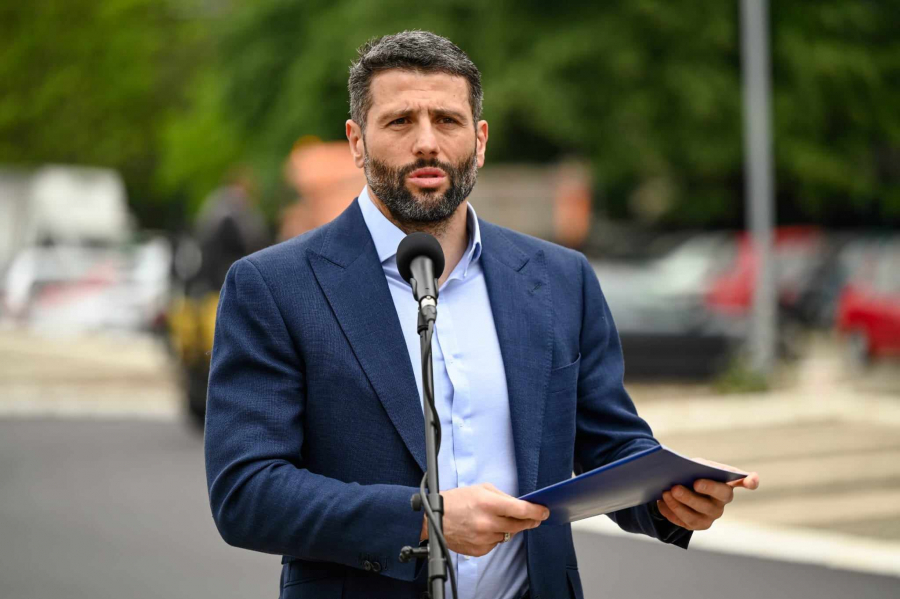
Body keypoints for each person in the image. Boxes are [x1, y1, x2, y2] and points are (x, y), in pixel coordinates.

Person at [204, 31, 759, 599]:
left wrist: (669, 496)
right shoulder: (274, 287)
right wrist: (427, 518)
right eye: (400, 121)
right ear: (357, 142)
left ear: (480, 140)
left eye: (448, 120)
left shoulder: (560, 278)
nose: (427, 143)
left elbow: (610, 445)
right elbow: (247, 492)